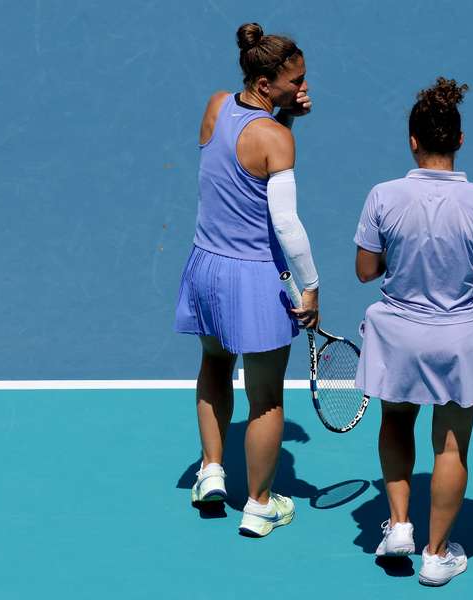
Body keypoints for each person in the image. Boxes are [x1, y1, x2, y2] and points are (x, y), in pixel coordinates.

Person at [353, 77, 473, 585]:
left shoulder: (383, 197)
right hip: (459, 340)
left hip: (399, 338)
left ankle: (398, 527)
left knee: (395, 423)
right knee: (450, 448)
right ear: (458, 139)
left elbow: (366, 270)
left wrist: (404, 249)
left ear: (413, 140)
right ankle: (436, 555)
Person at [174, 22, 320, 537]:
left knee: (214, 362)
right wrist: (311, 287)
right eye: (294, 80)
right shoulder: (276, 139)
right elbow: (286, 225)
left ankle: (211, 471)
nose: (302, 87)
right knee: (268, 398)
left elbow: (242, 156)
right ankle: (259, 505)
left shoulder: (217, 105)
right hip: (254, 280)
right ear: (265, 82)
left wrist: (284, 117)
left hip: (205, 269)